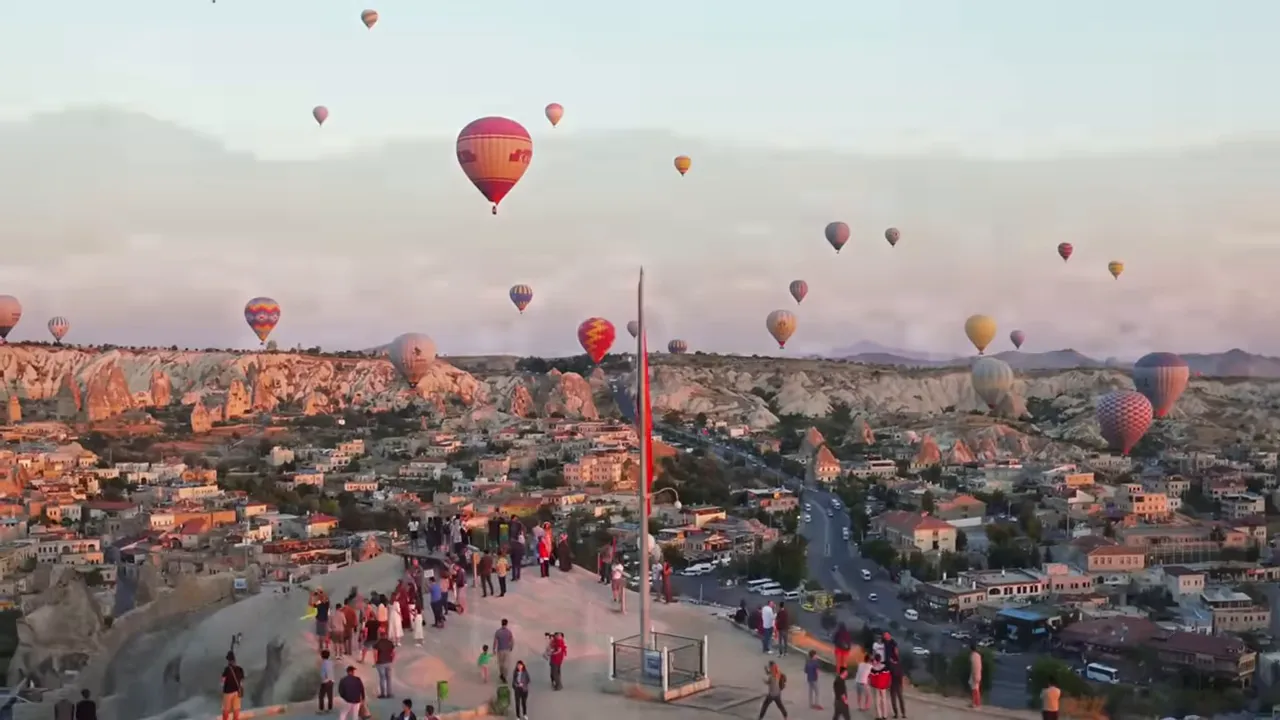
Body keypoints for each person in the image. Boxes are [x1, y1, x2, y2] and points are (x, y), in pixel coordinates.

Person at [882, 632, 905, 719]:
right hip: (896, 683)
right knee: (898, 698)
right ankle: (901, 713)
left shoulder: (892, 665)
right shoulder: (897, 664)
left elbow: (898, 675)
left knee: (896, 698)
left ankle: (899, 713)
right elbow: (901, 675)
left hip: (894, 684)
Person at [220, 652, 245, 720]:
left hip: (228, 692)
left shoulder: (227, 669)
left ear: (229, 661)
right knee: (236, 709)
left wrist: (222, 687)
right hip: (237, 692)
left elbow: (222, 680)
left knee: (226, 710)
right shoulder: (240, 669)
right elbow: (241, 682)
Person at [373, 628, 396, 698]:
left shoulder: (377, 643)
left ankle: (383, 694)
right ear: (386, 635)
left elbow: (375, 654)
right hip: (389, 662)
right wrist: (392, 660)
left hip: (380, 663)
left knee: (382, 678)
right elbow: (393, 653)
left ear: (380, 636)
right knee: (389, 678)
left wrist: (375, 662)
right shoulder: (390, 643)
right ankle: (389, 693)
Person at [493, 618, 515, 683]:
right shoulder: (509, 632)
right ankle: (504, 676)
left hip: (500, 650)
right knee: (506, 664)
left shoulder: (498, 632)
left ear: (501, 623)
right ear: (507, 624)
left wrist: (494, 649)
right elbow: (512, 641)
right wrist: (511, 647)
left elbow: (495, 641)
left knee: (501, 664)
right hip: (507, 650)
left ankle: (502, 674)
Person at [968, 641, 983, 708]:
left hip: (975, 674)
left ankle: (975, 703)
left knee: (974, 689)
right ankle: (977, 702)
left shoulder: (973, 656)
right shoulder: (978, 655)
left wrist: (973, 675)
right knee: (977, 688)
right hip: (978, 673)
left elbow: (974, 666)